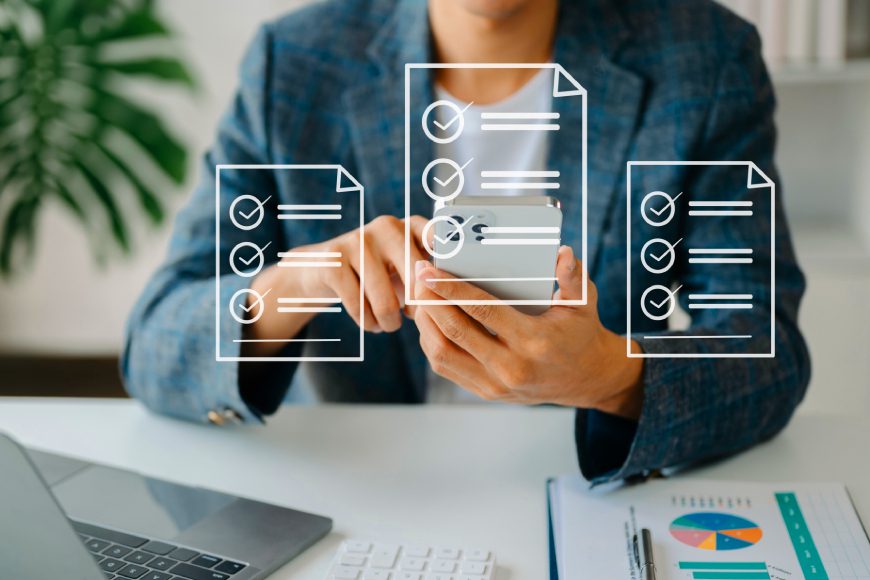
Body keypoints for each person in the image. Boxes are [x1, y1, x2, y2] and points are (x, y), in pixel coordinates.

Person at [123, 0, 811, 484]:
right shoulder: (297, 60)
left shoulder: (704, 57)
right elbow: (154, 343)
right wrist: (297, 281)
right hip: (353, 482)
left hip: (580, 488)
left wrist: (610, 374)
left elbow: (769, 350)